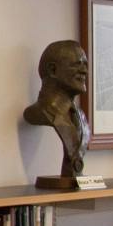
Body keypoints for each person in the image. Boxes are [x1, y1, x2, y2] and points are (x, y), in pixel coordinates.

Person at [24, 40, 90, 183]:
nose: (84, 71)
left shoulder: (81, 118)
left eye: (85, 64)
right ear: (53, 70)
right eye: (76, 64)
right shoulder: (40, 112)